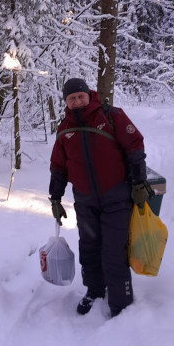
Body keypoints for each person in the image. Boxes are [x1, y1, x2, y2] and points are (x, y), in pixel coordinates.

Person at [49, 77, 149, 318]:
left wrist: (138, 182)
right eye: (71, 98)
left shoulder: (111, 116)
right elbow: (58, 166)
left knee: (114, 251)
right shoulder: (65, 128)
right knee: (89, 247)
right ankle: (94, 289)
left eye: (80, 96)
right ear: (66, 102)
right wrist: (55, 197)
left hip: (116, 196)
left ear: (88, 94)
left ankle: (120, 302)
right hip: (85, 200)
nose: (77, 101)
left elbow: (135, 146)